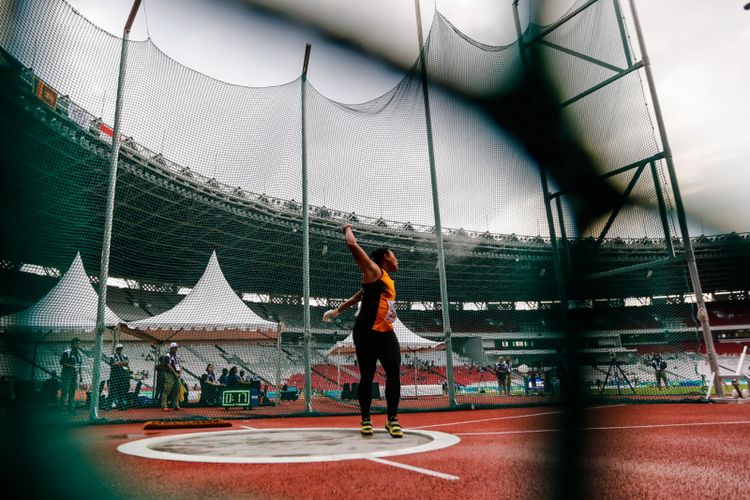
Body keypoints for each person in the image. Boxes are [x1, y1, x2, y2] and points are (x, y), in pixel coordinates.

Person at [323, 224, 403, 438]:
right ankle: (366, 419)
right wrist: (346, 227)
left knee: (394, 372)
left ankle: (392, 419)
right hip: (366, 332)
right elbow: (351, 243)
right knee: (367, 375)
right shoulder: (373, 269)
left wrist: (338, 310)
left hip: (386, 331)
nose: (397, 260)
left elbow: (359, 296)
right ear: (386, 256)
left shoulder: (383, 277)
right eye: (394, 256)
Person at [59, 338, 83, 413]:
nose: (77, 345)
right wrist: (71, 366)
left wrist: (81, 375)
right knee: (65, 391)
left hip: (75, 374)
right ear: (72, 344)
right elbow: (62, 362)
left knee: (72, 391)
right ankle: (62, 409)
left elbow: (79, 365)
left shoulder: (79, 354)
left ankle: (71, 408)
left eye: (78, 343)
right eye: (76, 343)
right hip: (67, 373)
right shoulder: (67, 352)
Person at [160, 342, 182, 411]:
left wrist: (180, 373)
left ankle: (176, 405)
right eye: (175, 348)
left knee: (177, 389)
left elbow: (180, 365)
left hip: (177, 375)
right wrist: (175, 373)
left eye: (176, 348)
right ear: (171, 348)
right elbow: (168, 365)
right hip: (170, 375)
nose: (176, 349)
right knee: (167, 390)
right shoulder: (167, 356)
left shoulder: (177, 356)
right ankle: (164, 406)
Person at [108, 343, 130, 410]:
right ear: (116, 349)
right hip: (114, 377)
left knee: (121, 391)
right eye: (118, 349)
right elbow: (113, 364)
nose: (120, 350)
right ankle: (108, 406)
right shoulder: (112, 356)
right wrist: (122, 363)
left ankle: (120, 406)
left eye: (121, 349)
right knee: (112, 391)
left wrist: (118, 363)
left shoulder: (124, 356)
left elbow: (127, 362)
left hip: (122, 376)